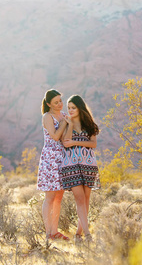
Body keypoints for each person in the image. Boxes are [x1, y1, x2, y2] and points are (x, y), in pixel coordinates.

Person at [61, 95, 100, 242]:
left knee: (86, 199)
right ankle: (88, 235)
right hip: (70, 165)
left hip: (88, 164)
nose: (70, 110)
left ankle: (79, 233)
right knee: (79, 198)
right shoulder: (65, 123)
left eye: (73, 107)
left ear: (80, 108)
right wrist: (70, 125)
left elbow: (93, 144)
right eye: (69, 108)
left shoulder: (89, 124)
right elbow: (66, 143)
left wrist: (76, 141)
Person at [37, 89, 70, 241]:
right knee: (50, 196)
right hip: (51, 157)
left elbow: (66, 137)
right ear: (49, 103)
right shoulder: (47, 116)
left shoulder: (63, 115)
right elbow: (55, 137)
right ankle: (48, 232)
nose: (59, 105)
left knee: (59, 196)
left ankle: (55, 231)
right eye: (55, 102)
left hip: (63, 156)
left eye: (60, 101)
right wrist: (64, 123)